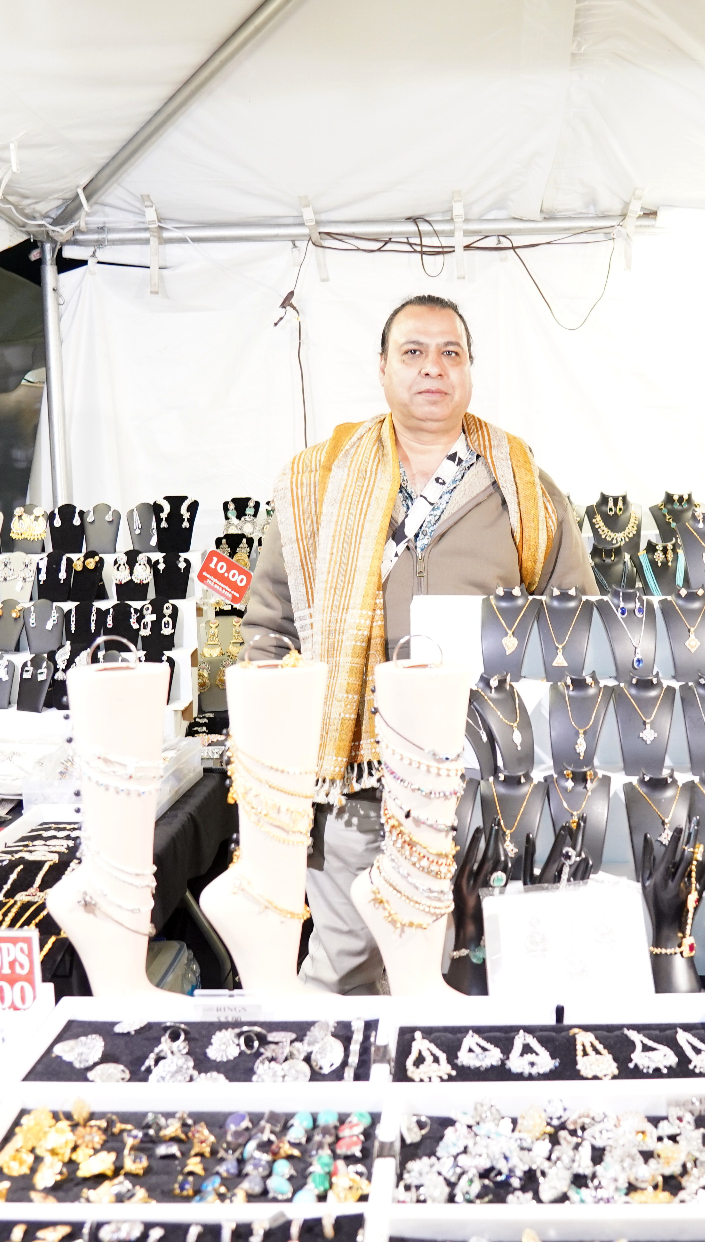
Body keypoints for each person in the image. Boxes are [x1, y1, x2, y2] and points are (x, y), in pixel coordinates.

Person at [243, 294, 595, 993]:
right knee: (341, 967)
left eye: (450, 353)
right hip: (357, 786)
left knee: (466, 971)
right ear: (381, 368)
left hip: (484, 785)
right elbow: (268, 627)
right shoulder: (318, 483)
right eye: (413, 352)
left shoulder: (522, 487)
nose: (432, 368)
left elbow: (577, 624)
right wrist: (283, 766)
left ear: (469, 372)